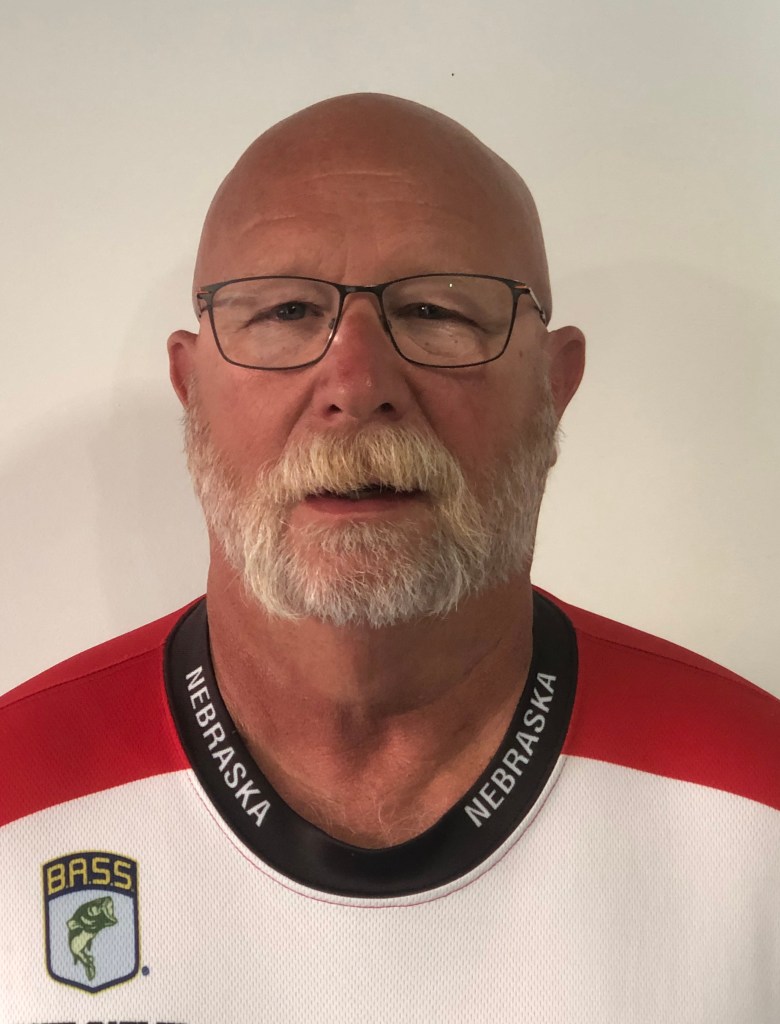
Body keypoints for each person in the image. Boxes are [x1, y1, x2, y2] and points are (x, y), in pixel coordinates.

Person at [1, 93, 778, 1023]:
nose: (357, 385)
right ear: (190, 383)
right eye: (287, 310)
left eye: (436, 312)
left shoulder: (759, 803)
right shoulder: (16, 794)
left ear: (554, 383)